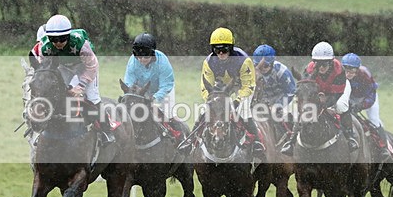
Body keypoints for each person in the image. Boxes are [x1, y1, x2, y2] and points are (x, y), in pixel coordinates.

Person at [28, 14, 114, 143]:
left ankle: (106, 130)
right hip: (64, 67)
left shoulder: (80, 44)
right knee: (54, 93)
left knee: (93, 97)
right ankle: (45, 129)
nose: (58, 43)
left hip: (85, 67)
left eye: (62, 39)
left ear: (68, 36)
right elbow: (45, 68)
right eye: (54, 39)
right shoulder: (45, 47)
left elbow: (92, 66)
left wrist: (81, 86)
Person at [186, 27, 265, 156]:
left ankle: (257, 143)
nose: (221, 53)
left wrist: (237, 101)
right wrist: (212, 100)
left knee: (244, 112)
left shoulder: (244, 61)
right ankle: (191, 141)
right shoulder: (208, 62)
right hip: (220, 89)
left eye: (224, 49)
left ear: (231, 48)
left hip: (242, 87)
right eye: (217, 50)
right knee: (204, 111)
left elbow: (249, 86)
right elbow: (205, 87)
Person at [282, 41, 357, 155]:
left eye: (324, 64)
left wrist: (324, 104)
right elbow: (306, 87)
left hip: (337, 90)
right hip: (317, 90)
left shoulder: (339, 70)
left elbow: (337, 94)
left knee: (341, 106)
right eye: (318, 64)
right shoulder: (309, 69)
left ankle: (349, 136)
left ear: (330, 62)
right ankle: (291, 142)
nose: (321, 67)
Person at [123, 33, 185, 139]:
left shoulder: (163, 61)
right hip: (141, 92)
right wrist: (133, 94)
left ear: (152, 54)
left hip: (163, 91)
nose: (142, 59)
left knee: (169, 116)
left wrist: (155, 98)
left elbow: (166, 85)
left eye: (146, 56)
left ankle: (182, 139)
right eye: (139, 56)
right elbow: (129, 82)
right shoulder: (132, 61)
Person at [341, 52, 391, 161]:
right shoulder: (340, 75)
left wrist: (361, 105)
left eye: (352, 70)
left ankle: (384, 148)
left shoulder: (365, 74)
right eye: (346, 70)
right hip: (350, 99)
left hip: (367, 97)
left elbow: (371, 95)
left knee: (374, 120)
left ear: (357, 69)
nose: (348, 73)